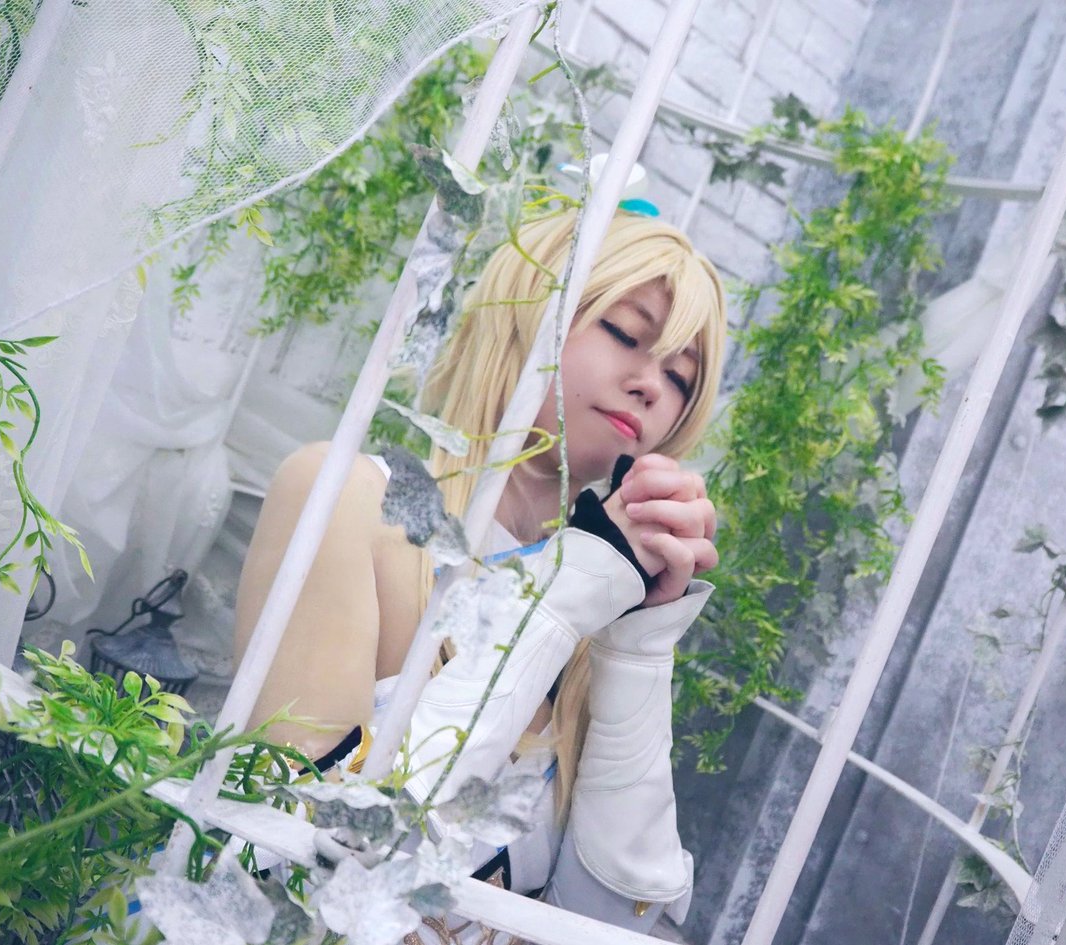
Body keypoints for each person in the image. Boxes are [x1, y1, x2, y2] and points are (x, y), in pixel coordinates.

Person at [234, 207, 728, 938]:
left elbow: (614, 920)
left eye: (680, 377)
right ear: (528, 310)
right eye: (626, 333)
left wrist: (639, 647)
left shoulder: (600, 611)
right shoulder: (346, 498)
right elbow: (320, 857)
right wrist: (565, 597)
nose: (651, 384)